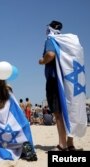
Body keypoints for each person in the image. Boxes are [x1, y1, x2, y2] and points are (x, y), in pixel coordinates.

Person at [39, 20, 87, 151]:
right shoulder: (67, 42)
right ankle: (70, 144)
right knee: (70, 109)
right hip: (70, 82)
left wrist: (42, 61)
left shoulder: (51, 40)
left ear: (49, 29)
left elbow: (50, 55)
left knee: (58, 112)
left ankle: (62, 145)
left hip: (55, 81)